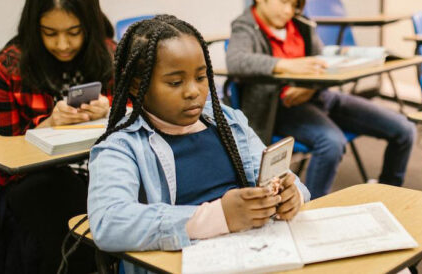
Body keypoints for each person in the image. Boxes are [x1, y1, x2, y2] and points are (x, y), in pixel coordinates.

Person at [87, 15, 310, 273]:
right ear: (138, 86)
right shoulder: (121, 146)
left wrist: (292, 196)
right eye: (175, 82)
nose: (193, 91)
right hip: (184, 262)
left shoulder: (229, 122)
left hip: (253, 252)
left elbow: (289, 180)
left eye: (201, 78)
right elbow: (108, 222)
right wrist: (218, 217)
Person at [226, 0, 416, 199]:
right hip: (281, 108)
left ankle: (390, 190)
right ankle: (311, 207)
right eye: (283, 1)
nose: (288, 11)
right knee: (331, 143)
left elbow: (323, 63)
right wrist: (287, 65)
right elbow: (237, 61)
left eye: (294, 5)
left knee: (404, 129)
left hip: (319, 97)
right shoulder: (246, 27)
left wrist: (310, 86)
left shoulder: (300, 25)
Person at [0, 0, 114, 273]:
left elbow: (140, 119)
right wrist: (46, 127)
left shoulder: (108, 54)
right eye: (50, 33)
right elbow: (1, 160)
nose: (63, 45)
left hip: (102, 167)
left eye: (74, 32)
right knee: (53, 195)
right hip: (39, 181)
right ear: (33, 27)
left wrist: (109, 106)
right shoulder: (8, 67)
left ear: (90, 25)